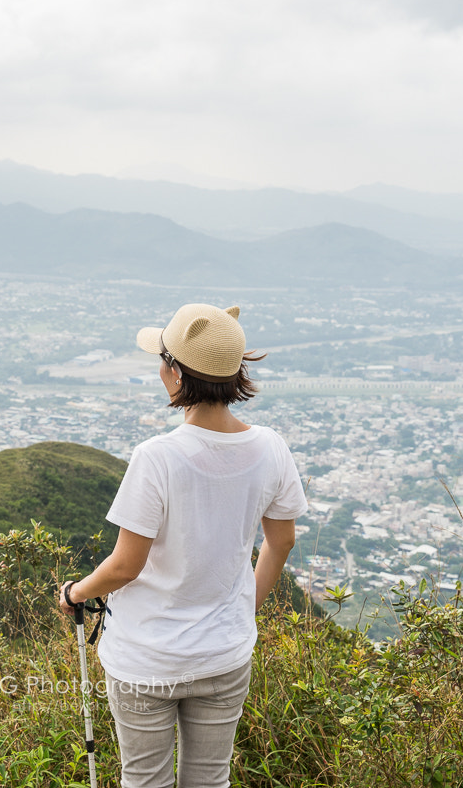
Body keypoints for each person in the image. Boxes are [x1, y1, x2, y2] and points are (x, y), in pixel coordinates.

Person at [59, 302, 306, 788]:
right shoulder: (270, 447)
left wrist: (75, 592)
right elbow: (282, 541)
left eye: (162, 360)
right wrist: (243, 608)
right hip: (224, 653)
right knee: (210, 780)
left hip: (147, 658)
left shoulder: (158, 457)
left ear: (175, 374)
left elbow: (126, 566)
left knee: (144, 780)